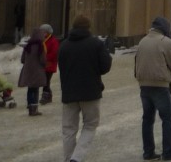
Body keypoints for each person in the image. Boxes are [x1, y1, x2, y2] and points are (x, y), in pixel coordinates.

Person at [59, 14, 113, 162]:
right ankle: (76, 158)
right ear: (88, 27)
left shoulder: (64, 45)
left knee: (68, 129)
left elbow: (62, 69)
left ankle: (68, 158)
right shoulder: (95, 44)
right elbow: (105, 66)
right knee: (90, 125)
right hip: (90, 92)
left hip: (69, 93)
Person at [135, 16, 171, 161]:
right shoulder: (166, 42)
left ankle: (148, 153)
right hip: (160, 86)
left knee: (147, 119)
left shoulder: (142, 41)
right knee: (167, 119)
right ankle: (168, 153)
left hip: (144, 85)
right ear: (164, 29)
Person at [18, 27, 47, 116]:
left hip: (28, 71)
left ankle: (30, 107)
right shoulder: (40, 46)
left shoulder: (27, 46)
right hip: (37, 71)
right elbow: (43, 60)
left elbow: (22, 59)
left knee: (30, 89)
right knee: (36, 90)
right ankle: (34, 109)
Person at [40, 23, 60, 104]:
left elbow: (54, 53)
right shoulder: (42, 40)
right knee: (45, 81)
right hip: (43, 64)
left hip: (50, 64)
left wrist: (44, 58)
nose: (42, 33)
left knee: (46, 81)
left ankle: (46, 96)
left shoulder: (53, 41)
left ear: (48, 32)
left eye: (44, 32)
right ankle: (48, 95)